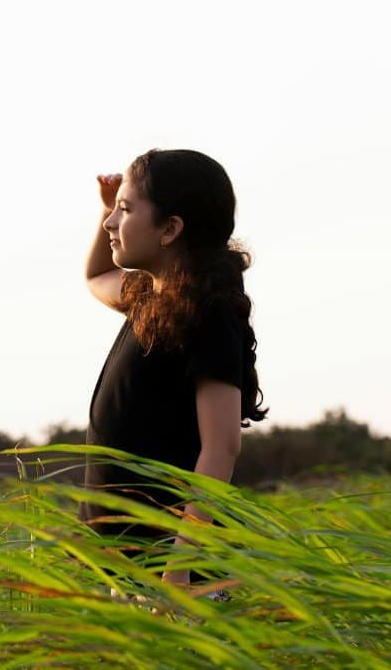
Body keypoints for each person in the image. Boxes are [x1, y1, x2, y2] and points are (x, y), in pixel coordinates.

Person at [78, 148, 268, 592]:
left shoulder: (209, 313)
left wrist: (179, 564)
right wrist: (108, 207)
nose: (110, 224)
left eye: (125, 211)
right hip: (127, 565)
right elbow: (94, 276)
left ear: (170, 228)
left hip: (175, 574)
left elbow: (222, 447)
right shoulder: (148, 297)